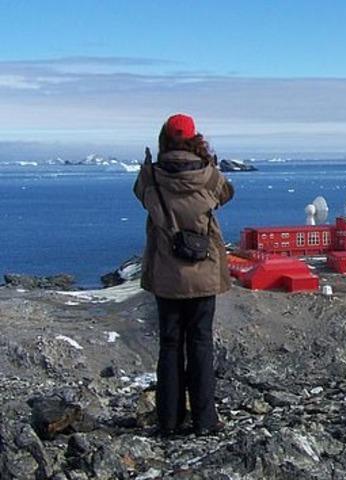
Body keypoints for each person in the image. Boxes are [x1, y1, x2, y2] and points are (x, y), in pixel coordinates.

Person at [133, 113, 234, 436]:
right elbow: (226, 194)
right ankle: (205, 420)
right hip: (202, 271)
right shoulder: (208, 177)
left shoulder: (151, 177)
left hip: (166, 274)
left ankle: (169, 421)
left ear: (163, 139)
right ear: (195, 139)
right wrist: (209, 164)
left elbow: (140, 195)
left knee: (170, 345)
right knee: (201, 344)